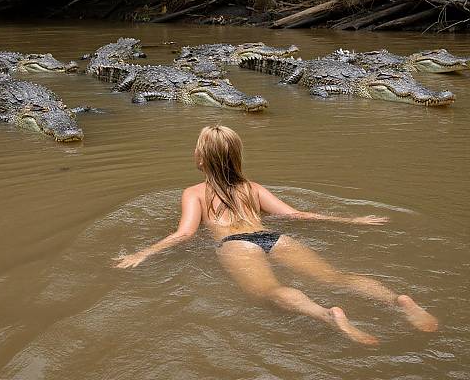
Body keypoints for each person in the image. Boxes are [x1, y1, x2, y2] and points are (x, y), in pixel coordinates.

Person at [114, 125, 438, 344]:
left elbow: (184, 234)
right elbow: (296, 215)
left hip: (235, 245)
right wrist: (353, 220)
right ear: (235, 157)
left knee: (270, 291)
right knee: (337, 277)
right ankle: (399, 301)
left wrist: (142, 253)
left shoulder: (195, 193)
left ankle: (327, 314)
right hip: (275, 238)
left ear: (201, 159)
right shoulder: (252, 188)